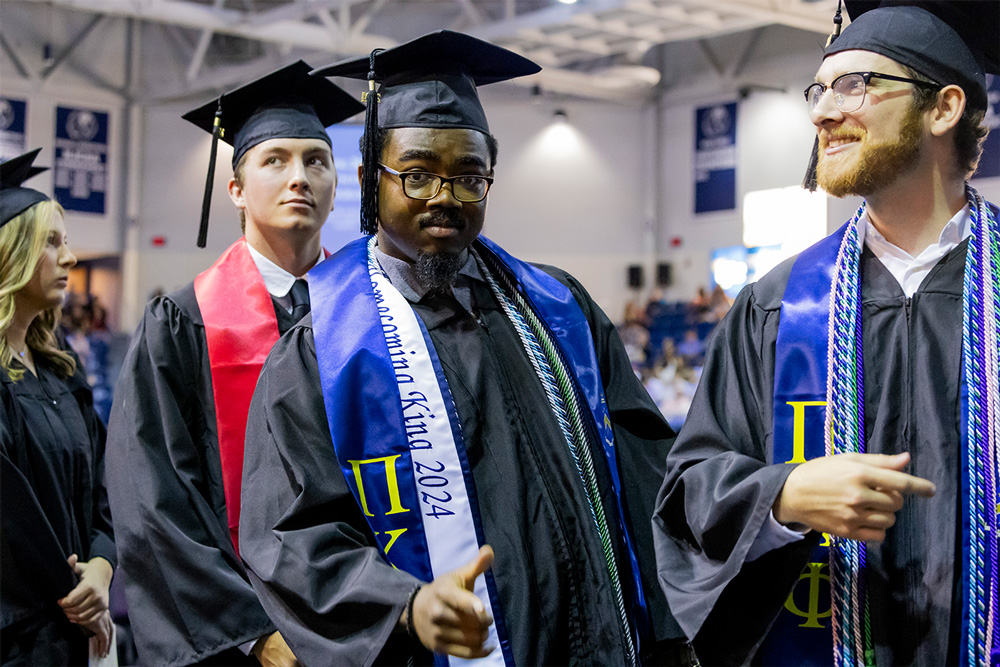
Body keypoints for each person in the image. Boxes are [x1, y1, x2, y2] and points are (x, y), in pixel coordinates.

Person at [238, 30, 689, 667]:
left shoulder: (559, 305)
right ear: (371, 181)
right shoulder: (321, 349)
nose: (444, 198)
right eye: (417, 175)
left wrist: (670, 636)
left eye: (469, 177)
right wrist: (402, 604)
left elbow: (646, 470)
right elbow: (291, 535)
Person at [652, 1, 999, 665]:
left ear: (944, 108)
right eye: (819, 89)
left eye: (855, 85)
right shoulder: (777, 305)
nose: (821, 112)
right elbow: (686, 488)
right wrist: (780, 495)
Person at [104, 62, 362, 667]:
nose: (299, 177)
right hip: (233, 640)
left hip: (360, 625)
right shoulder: (181, 322)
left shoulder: (372, 318)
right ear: (237, 189)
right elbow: (152, 499)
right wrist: (253, 634)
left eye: (315, 160)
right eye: (275, 159)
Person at [0, 149, 116, 665]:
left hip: (71, 634)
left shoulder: (59, 367)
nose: (69, 258)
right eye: (51, 243)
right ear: (10, 254)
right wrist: (77, 594)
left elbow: (101, 490)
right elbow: (12, 516)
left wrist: (101, 567)